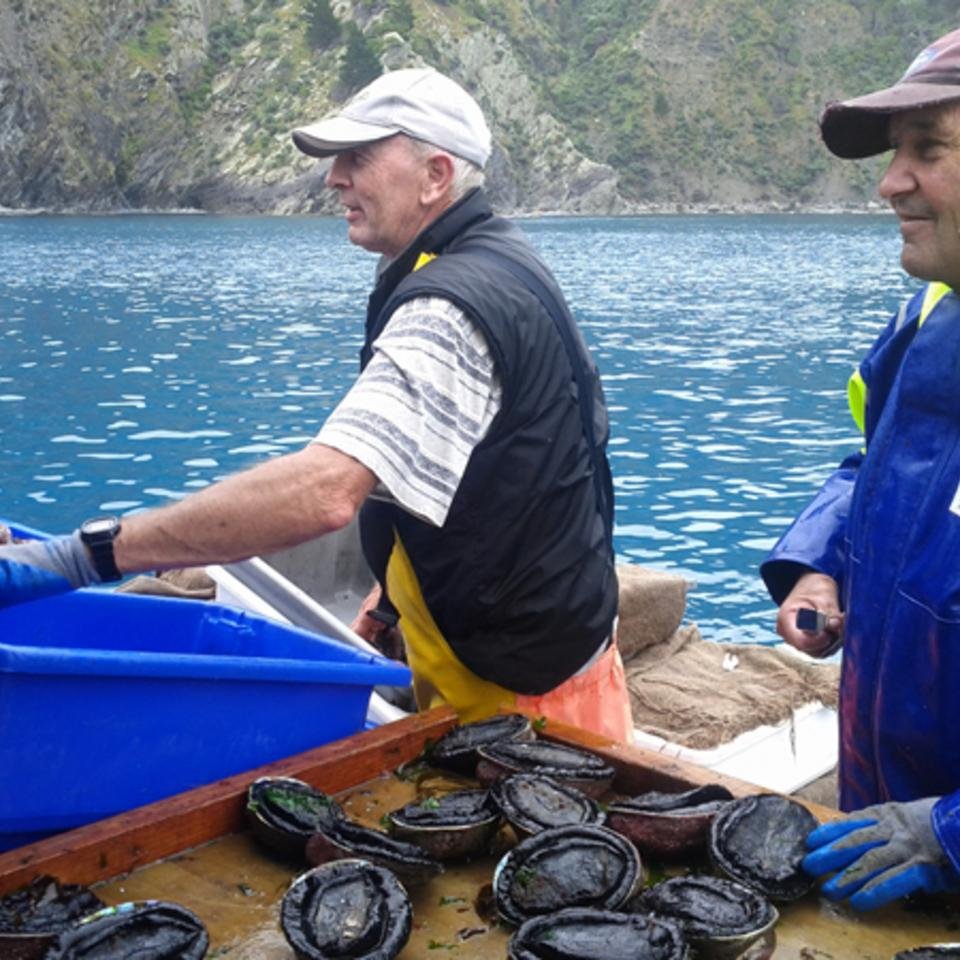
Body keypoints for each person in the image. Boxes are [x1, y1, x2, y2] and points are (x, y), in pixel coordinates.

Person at [0, 68, 633, 742]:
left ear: (435, 176)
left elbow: (326, 491)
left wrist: (80, 556)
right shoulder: (489, 258)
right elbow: (487, 456)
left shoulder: (450, 308)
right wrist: (391, 602)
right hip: (516, 645)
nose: (334, 178)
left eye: (358, 158)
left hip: (528, 699)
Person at [761, 29, 960, 910]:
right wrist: (822, 564)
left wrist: (949, 834)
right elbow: (869, 465)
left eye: (930, 149)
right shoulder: (926, 319)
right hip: (878, 820)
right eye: (894, 153)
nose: (890, 183)